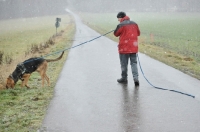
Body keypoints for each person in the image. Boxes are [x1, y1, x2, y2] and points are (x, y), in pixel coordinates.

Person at [114, 11, 140, 86]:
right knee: (134, 63)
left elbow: (116, 34)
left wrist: (118, 28)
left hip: (123, 48)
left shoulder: (121, 25)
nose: (118, 20)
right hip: (133, 48)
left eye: (118, 18)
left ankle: (124, 78)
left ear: (121, 17)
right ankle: (136, 78)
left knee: (124, 64)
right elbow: (138, 33)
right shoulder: (134, 23)